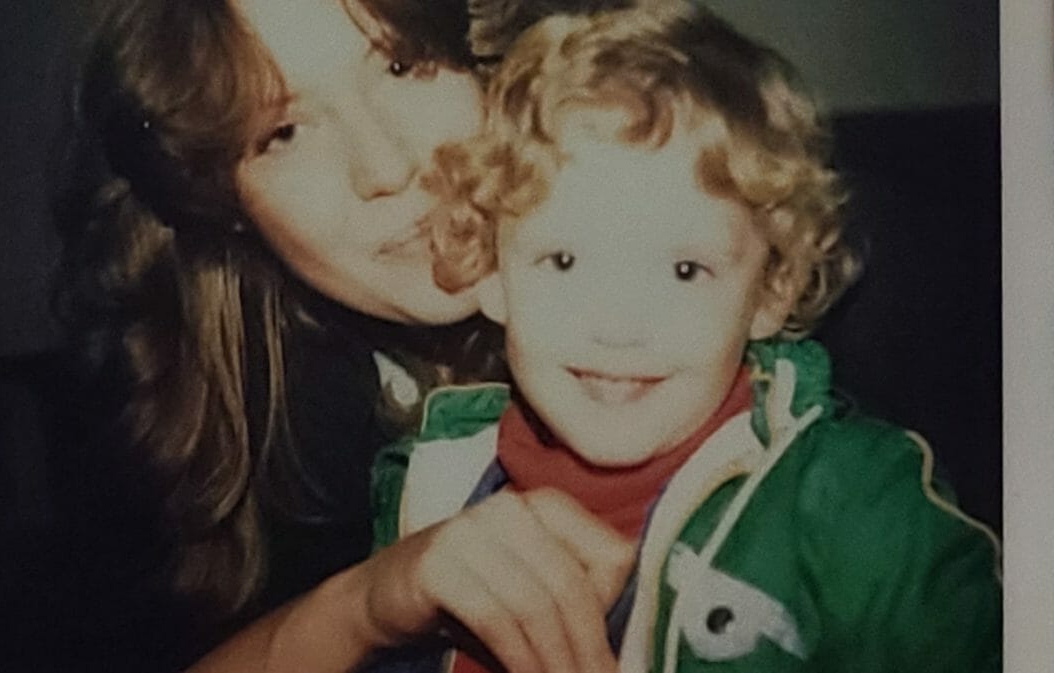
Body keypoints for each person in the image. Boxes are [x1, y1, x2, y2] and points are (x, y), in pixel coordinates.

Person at [369, 4, 1003, 672]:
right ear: (492, 274)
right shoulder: (426, 482)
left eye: (684, 269)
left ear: (770, 290)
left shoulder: (861, 509)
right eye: (562, 260)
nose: (617, 326)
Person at [54, 1, 638, 672]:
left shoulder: (695, 281)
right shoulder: (237, 420)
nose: (384, 167)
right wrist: (366, 605)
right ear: (222, 201)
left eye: (402, 63)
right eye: (284, 131)